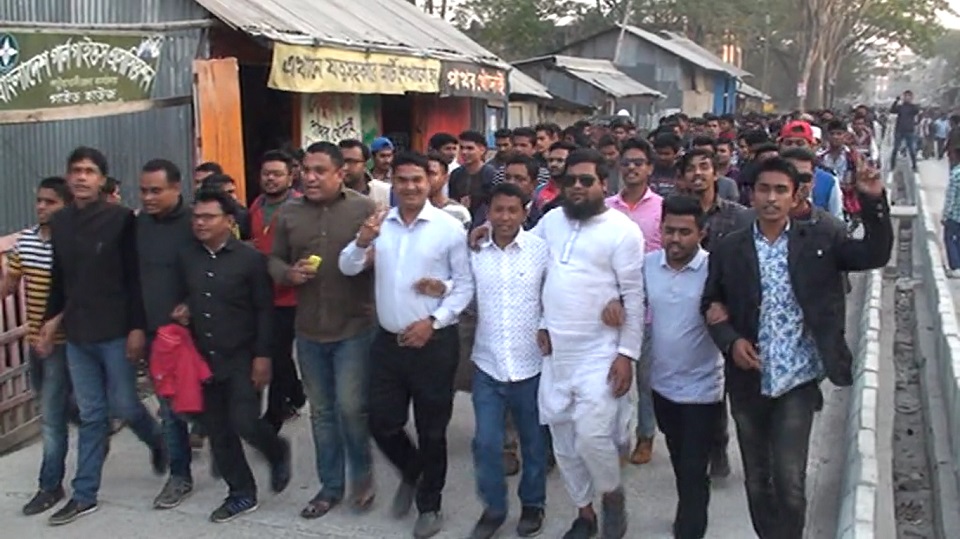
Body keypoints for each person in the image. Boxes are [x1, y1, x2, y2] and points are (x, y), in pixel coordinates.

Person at [701, 157, 893, 539]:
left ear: (795, 196)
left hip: (798, 379)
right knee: (758, 479)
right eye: (764, 189)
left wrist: (873, 201)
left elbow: (874, 254)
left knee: (789, 478)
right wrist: (731, 340)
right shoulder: (730, 247)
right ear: (751, 194)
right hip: (748, 381)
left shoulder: (821, 240)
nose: (771, 198)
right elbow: (711, 303)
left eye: (780, 190)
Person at [339, 151, 473, 539]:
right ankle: (413, 470)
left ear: (430, 182)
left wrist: (434, 322)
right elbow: (348, 266)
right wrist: (361, 242)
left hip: (434, 343)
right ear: (392, 183)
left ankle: (430, 505)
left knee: (432, 430)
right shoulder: (381, 224)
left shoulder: (449, 228)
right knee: (382, 423)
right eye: (403, 180)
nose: (411, 187)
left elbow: (465, 285)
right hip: (388, 343)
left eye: (418, 179)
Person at [41, 147, 165, 526]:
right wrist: (50, 321)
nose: (82, 177)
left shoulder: (121, 220)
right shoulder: (61, 222)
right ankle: (84, 494)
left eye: (89, 171)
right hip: (78, 334)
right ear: (68, 177)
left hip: (116, 330)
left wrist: (137, 328)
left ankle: (158, 441)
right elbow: (60, 278)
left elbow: (134, 278)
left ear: (102, 180)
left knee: (125, 404)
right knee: (93, 415)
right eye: (76, 171)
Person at [269, 142, 378, 519]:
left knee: (351, 409)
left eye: (319, 171)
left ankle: (362, 477)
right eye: (306, 170)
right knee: (322, 413)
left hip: (354, 328)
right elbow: (273, 259)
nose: (310, 178)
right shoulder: (289, 212)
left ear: (340, 173)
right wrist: (288, 274)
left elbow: (386, 257)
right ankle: (330, 487)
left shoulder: (364, 209)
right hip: (309, 330)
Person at [172, 188, 292, 523]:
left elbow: (264, 311)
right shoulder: (187, 256)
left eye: (208, 217)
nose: (200, 223)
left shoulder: (250, 260)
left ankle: (276, 450)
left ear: (228, 221)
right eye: (196, 217)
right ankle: (241, 493)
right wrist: (184, 307)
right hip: (203, 357)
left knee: (245, 422)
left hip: (242, 355)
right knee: (219, 430)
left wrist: (263, 357)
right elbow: (185, 294)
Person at [467, 182, 550, 539]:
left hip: (531, 365)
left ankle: (533, 504)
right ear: (488, 212)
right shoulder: (474, 250)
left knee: (534, 443)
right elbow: (462, 289)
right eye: (498, 210)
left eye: (512, 210)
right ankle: (494, 507)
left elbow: (553, 295)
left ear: (524, 212)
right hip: (487, 364)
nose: (504, 217)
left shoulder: (540, 250)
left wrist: (547, 326)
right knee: (486, 443)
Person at [646, 195, 724, 539]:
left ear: (701, 233)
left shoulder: (715, 270)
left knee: (694, 467)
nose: (675, 239)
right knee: (679, 459)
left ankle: (691, 528)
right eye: (669, 231)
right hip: (661, 386)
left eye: (684, 232)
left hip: (703, 390)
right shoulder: (648, 266)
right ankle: (688, 511)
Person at [5, 177, 73, 516]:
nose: (42, 207)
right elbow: (9, 284)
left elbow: (80, 293)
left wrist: (53, 327)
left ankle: (50, 486)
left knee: (50, 417)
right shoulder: (28, 241)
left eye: (51, 202)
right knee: (54, 410)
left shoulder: (73, 243)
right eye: (40, 201)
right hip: (36, 343)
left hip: (65, 344)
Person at [136, 159, 200, 510]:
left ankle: (239, 476)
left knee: (215, 409)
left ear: (176, 188)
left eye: (155, 191)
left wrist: (191, 303)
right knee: (170, 409)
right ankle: (179, 475)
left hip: (199, 333)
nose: (148, 197)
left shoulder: (196, 223)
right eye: (143, 191)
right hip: (157, 336)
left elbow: (212, 271)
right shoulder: (139, 225)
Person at [249, 150, 306, 433]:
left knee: (277, 354)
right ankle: (296, 395)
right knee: (275, 352)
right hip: (261, 292)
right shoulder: (256, 205)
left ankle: (273, 417)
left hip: (290, 295)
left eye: (277, 174)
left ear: (290, 177)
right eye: (266, 174)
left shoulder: (301, 206)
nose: (270, 179)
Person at [889, 90, 920, 171]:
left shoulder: (913, 107)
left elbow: (917, 111)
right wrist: (896, 101)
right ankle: (892, 165)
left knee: (911, 149)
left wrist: (912, 103)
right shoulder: (900, 107)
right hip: (899, 130)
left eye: (909, 96)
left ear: (911, 97)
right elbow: (892, 110)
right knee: (895, 148)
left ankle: (914, 166)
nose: (907, 98)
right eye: (905, 96)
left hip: (909, 130)